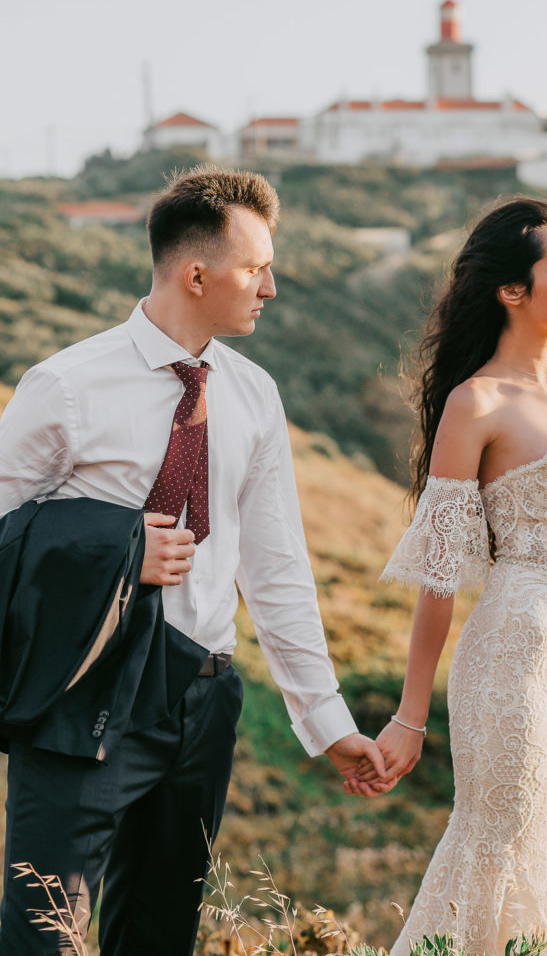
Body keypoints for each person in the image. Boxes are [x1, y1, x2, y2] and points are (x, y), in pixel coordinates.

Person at [0, 166, 387, 956]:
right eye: (256, 268)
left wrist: (326, 720)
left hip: (203, 698)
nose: (270, 288)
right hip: (84, 698)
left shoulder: (253, 395)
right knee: (45, 938)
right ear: (196, 273)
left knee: (159, 937)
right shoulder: (67, 385)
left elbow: (276, 568)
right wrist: (117, 548)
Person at [352, 198, 547, 956]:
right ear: (511, 291)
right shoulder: (475, 402)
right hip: (515, 658)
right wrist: (409, 717)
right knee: (505, 844)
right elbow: (439, 576)